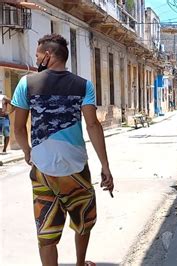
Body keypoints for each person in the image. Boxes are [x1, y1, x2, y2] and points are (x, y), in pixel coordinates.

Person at [11, 34, 114, 266]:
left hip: (42, 169)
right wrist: (105, 166)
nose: (37, 59)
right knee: (83, 218)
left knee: (46, 232)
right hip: (75, 167)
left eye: (38, 55)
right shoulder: (83, 84)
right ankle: (80, 263)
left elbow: (18, 127)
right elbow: (92, 124)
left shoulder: (26, 83)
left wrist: (28, 151)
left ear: (47, 55)